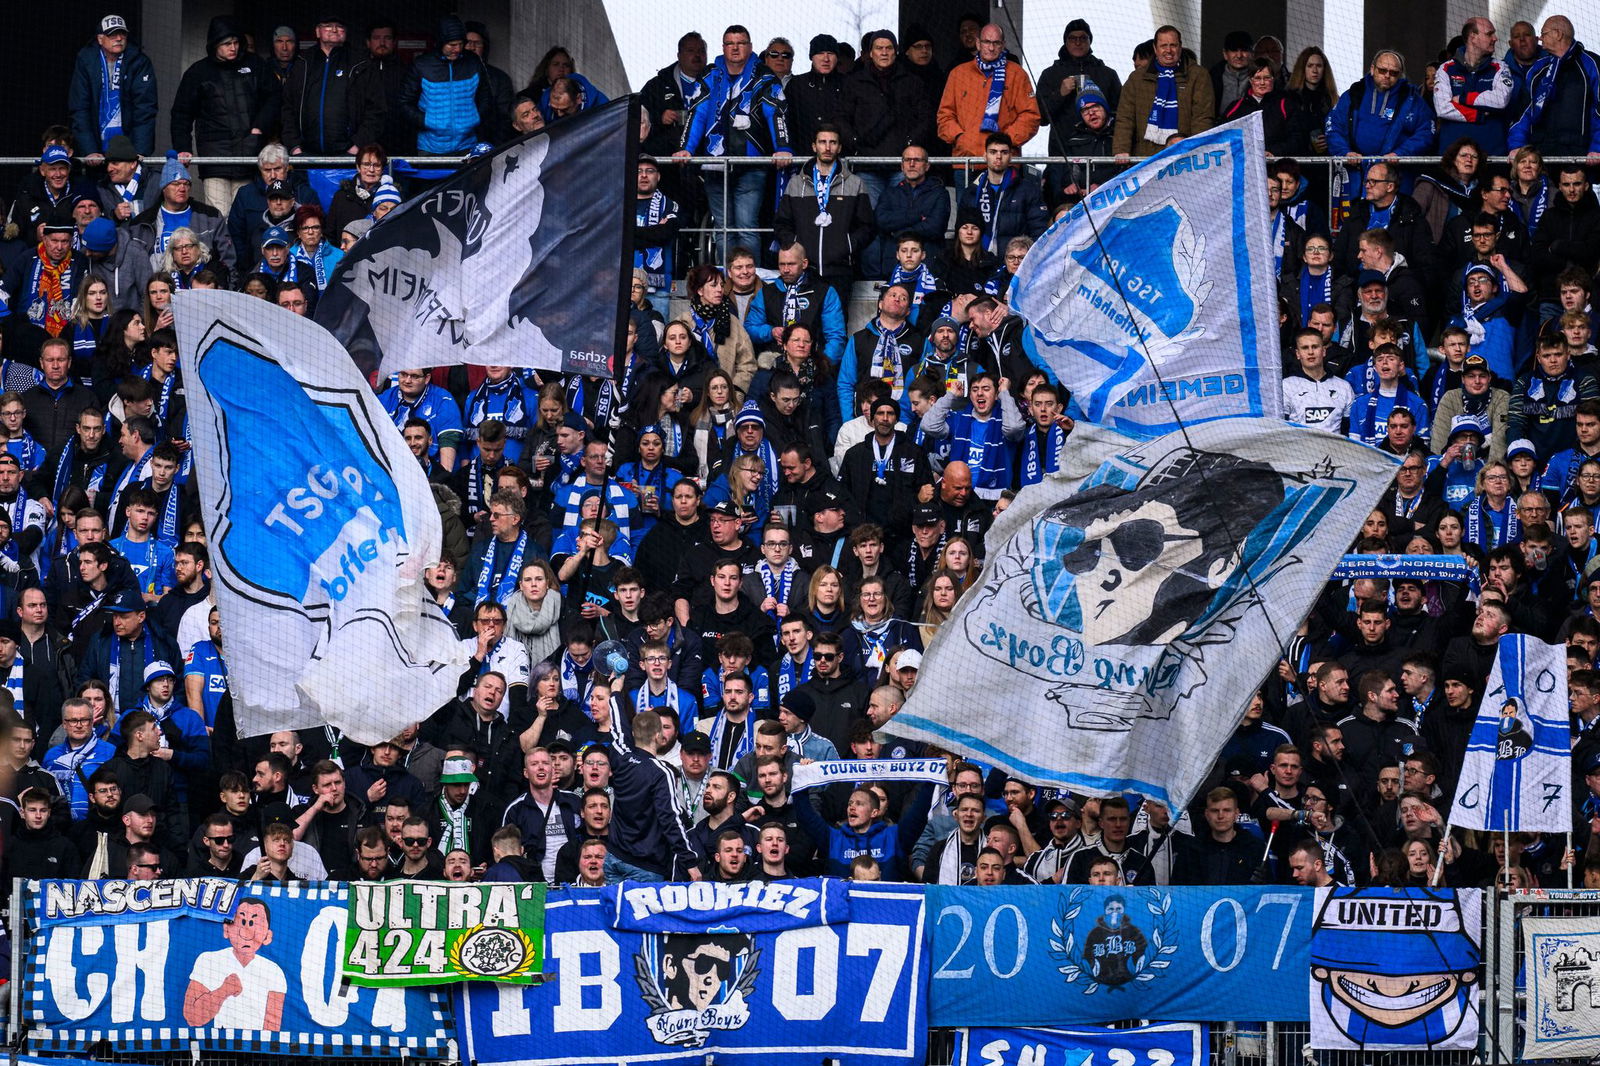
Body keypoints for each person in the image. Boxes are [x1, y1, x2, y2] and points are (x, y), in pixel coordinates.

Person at [674, 25, 793, 262]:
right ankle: (725, 286)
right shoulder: (709, 77)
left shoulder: (764, 77)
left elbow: (776, 114)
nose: (735, 48)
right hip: (715, 166)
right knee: (723, 228)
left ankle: (751, 284)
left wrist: (783, 148)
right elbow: (696, 114)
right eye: (730, 43)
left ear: (750, 47)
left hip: (751, 166)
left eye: (741, 43)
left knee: (746, 226)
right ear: (723, 47)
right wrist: (686, 147)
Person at [170, 17, 277, 215]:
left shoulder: (255, 65)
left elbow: (274, 97)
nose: (233, 48)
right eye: (227, 44)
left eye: (236, 42)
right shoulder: (198, 72)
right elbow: (181, 113)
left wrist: (259, 128)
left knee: (245, 216)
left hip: (249, 154)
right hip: (215, 160)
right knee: (219, 218)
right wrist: (182, 148)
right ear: (215, 45)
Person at [1325, 51, 1436, 194]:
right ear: (1372, 69)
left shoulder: (1412, 99)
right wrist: (1345, 153)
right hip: (1355, 176)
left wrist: (1400, 154)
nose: (1387, 75)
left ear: (1400, 74)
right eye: (1382, 70)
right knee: (1355, 216)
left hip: (1395, 177)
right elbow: (1332, 125)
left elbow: (1427, 132)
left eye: (1394, 73)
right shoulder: (1354, 94)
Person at [282, 13, 385, 158]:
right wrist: (294, 146)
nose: (334, 30)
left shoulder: (361, 63)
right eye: (328, 26)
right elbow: (288, 107)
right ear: (318, 31)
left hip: (349, 154)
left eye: (339, 27)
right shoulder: (302, 62)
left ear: (346, 32)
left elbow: (377, 110)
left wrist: (357, 145)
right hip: (306, 154)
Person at [936, 24, 1040, 158]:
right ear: (978, 43)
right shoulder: (958, 73)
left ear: (1003, 45)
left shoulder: (1017, 74)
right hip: (966, 160)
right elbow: (945, 115)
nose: (991, 48)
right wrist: (961, 139)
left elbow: (1031, 116)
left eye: (996, 43)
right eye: (987, 42)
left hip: (1004, 160)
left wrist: (1005, 141)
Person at [401, 17, 501, 156]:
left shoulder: (473, 61)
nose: (457, 49)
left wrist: (474, 118)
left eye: (460, 44)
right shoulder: (422, 65)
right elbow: (405, 103)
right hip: (430, 146)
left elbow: (485, 96)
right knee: (432, 178)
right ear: (440, 43)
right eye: (452, 45)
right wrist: (427, 121)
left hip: (467, 144)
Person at [1113, 25, 1215, 158]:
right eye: (1164, 46)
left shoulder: (1198, 75)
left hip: (1184, 156)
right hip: (1145, 157)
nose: (1169, 50)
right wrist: (1121, 149)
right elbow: (1125, 117)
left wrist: (1195, 150)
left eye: (1173, 45)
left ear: (1180, 47)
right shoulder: (1137, 78)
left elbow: (1203, 118)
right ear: (1155, 48)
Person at [183, 898, 286, 1029]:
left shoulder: (274, 971)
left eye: (254, 922)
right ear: (226, 930)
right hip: (218, 1044)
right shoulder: (208, 960)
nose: (246, 929)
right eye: (241, 920)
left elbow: (272, 1027)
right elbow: (192, 1017)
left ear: (267, 936)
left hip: (254, 1046)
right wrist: (223, 991)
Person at [69, 14, 159, 161]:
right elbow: (79, 108)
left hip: (130, 149)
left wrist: (140, 150)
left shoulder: (139, 62)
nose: (118, 38)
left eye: (122, 33)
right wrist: (89, 150)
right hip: (95, 150)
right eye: (112, 34)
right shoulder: (86, 61)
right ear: (100, 39)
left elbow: (145, 108)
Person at [1508, 16, 1600, 160]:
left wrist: (1597, 148)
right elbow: (1524, 112)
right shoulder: (1538, 69)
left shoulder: (1592, 64)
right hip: (1540, 154)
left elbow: (1598, 109)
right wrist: (1517, 145)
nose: (1540, 38)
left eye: (1544, 33)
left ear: (1558, 34)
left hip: (1579, 154)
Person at [1433, 19, 1518, 155]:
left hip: (1491, 155)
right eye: (1489, 34)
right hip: (1453, 157)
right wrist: (1478, 115)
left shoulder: (1500, 67)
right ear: (1473, 37)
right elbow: (1442, 108)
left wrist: (1462, 99)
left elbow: (1500, 99)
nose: (1495, 38)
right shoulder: (1446, 69)